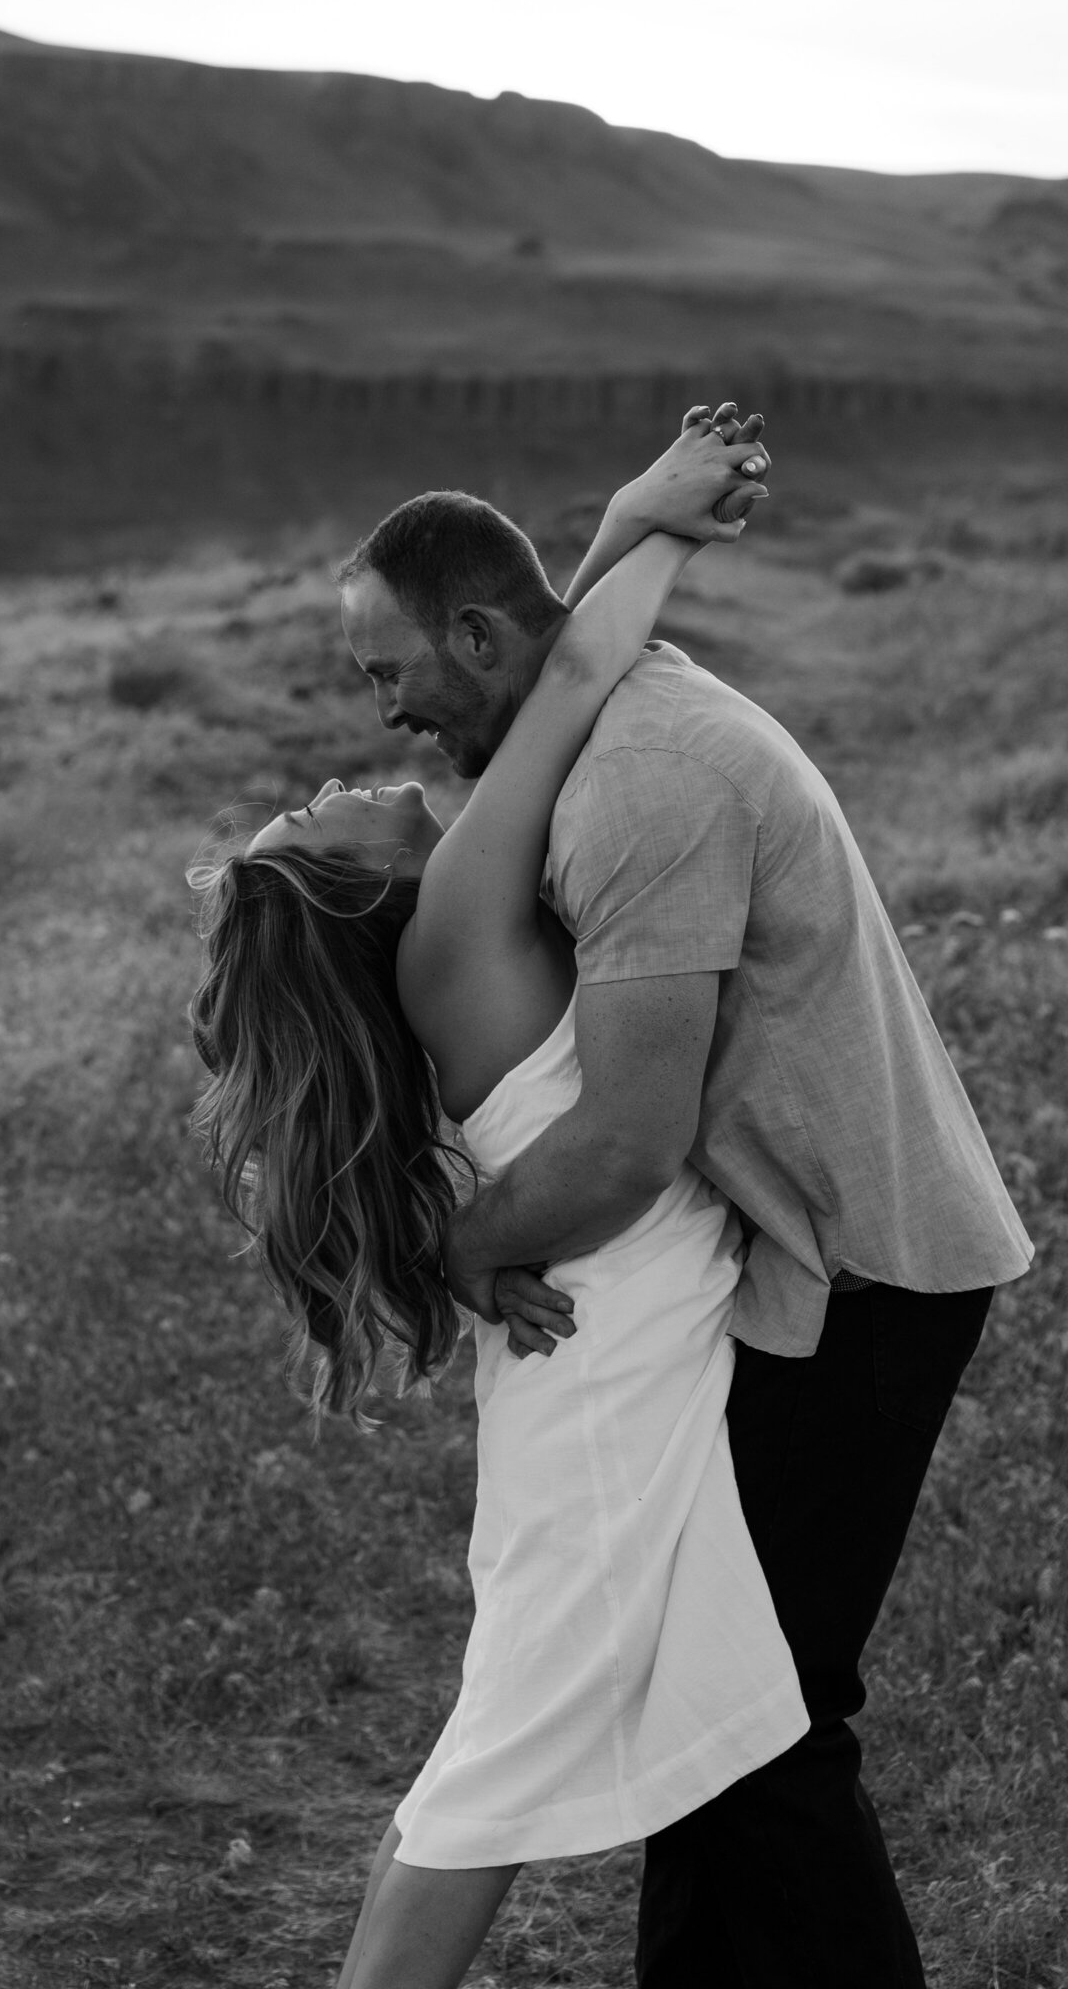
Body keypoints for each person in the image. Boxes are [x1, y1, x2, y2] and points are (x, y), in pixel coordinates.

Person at [334, 410, 1035, 1989]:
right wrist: (643, 517)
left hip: (859, 1269)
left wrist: (449, 1247)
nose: (380, 715)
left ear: (476, 633)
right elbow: (562, 663)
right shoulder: (575, 729)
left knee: (767, 1721)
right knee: (718, 1715)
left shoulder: (635, 785)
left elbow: (633, 1144)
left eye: (392, 674)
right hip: (807, 1250)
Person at [192, 414, 799, 1989]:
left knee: (490, 1740)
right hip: (605, 1378)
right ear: (343, 884)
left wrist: (628, 530)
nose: (339, 774)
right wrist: (645, 517)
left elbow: (531, 669)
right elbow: (575, 676)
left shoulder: (461, 923)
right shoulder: (457, 912)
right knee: (491, 1780)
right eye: (310, 814)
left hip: (599, 1361)